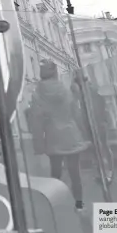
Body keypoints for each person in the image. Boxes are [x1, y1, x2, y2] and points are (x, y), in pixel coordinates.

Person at [28, 60, 90, 211]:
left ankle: (54, 202)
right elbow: (75, 113)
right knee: (74, 171)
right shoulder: (65, 90)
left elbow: (36, 120)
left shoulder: (37, 95)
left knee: (55, 172)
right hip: (71, 134)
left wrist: (38, 144)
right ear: (55, 73)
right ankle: (79, 204)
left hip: (53, 136)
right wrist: (84, 134)